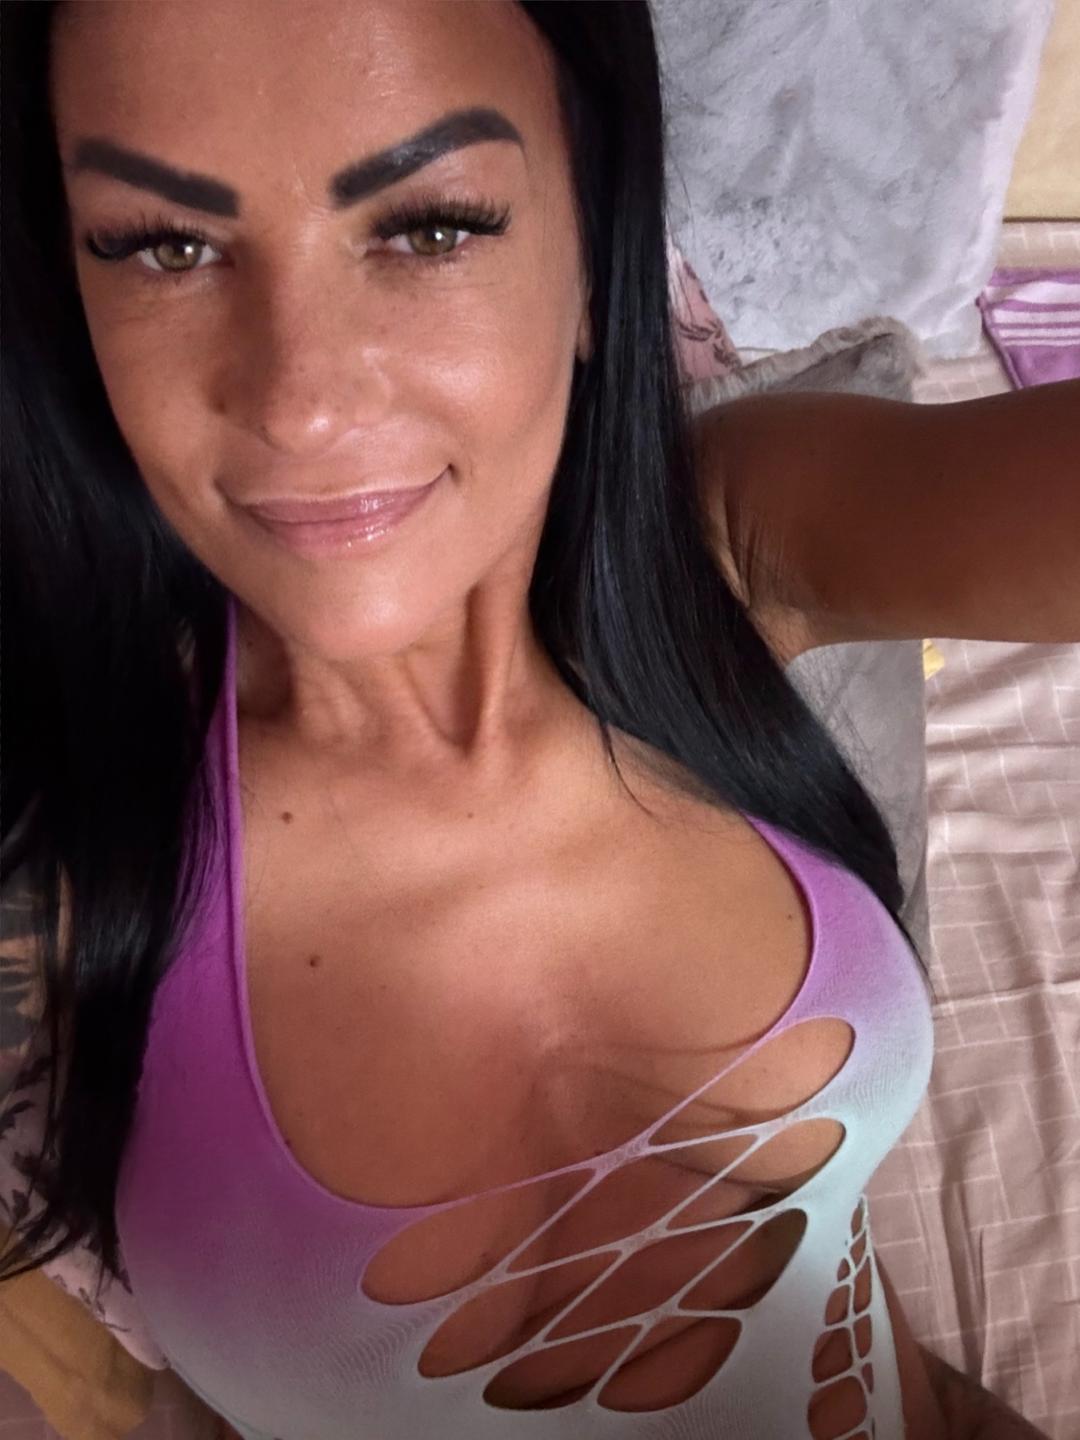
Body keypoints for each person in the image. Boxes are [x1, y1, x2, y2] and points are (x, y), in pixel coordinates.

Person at [1, 2, 1075, 1437]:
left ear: (591, 254)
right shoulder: (66, 832)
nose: (301, 404)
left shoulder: (719, 557)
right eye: (163, 246)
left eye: (429, 226)